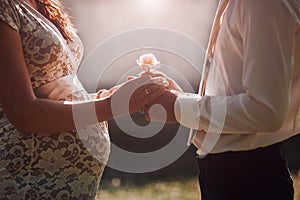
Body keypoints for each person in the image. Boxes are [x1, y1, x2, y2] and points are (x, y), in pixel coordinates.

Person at [0, 0, 167, 199]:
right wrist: (111, 106)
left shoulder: (44, 3)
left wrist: (107, 97)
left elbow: (54, 91)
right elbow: (22, 112)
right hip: (29, 179)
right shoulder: (6, 8)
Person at [144, 0, 300, 199]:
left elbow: (265, 111)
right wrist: (179, 98)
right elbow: (231, 94)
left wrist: (178, 107)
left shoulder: (262, 4)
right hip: (227, 173)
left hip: (250, 179)